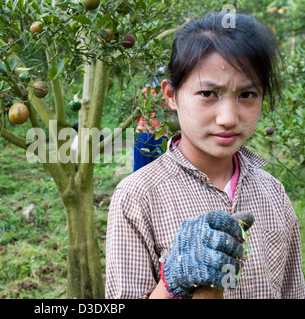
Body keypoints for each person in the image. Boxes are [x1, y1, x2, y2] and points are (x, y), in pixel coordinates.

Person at [105, 12, 305, 299]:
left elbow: (292, 289)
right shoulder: (137, 197)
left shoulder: (273, 192)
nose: (228, 118)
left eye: (247, 95)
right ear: (171, 95)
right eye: (208, 93)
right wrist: (174, 279)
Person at [133, 68, 168, 172]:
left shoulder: (143, 93)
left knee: (140, 171)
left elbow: (137, 116)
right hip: (161, 134)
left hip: (143, 133)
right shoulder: (167, 94)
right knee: (160, 173)